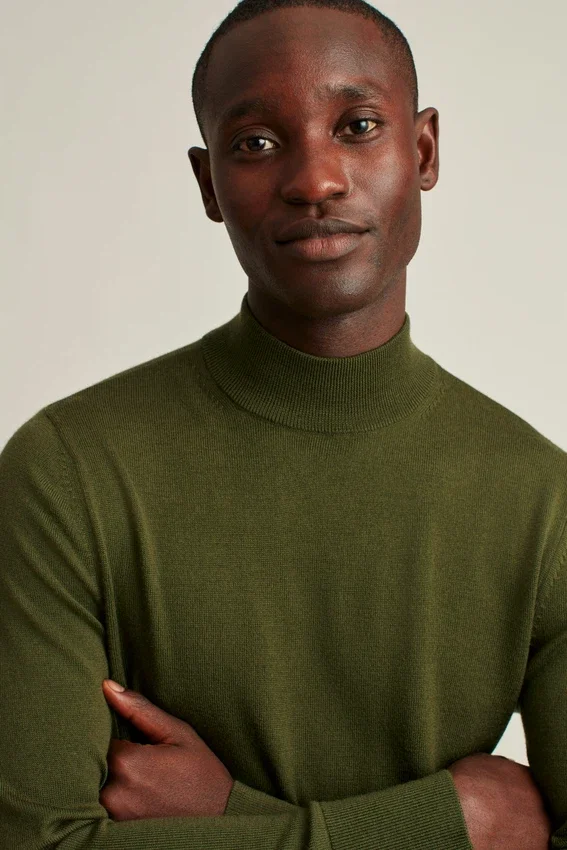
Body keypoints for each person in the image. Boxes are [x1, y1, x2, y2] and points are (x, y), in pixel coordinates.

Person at [0, 0, 564, 847]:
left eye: (357, 126)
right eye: (256, 143)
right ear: (208, 186)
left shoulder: (544, 504)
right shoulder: (67, 470)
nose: (315, 180)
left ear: (422, 152)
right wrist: (458, 826)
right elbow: (37, 841)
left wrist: (232, 816)